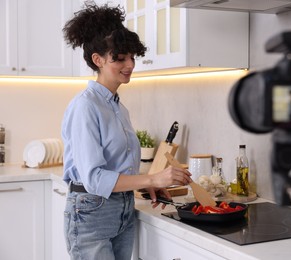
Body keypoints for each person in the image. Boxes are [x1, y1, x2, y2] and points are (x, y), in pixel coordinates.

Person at [61, 3, 192, 260]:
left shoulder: (119, 108)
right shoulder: (85, 106)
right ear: (97, 60)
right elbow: (95, 179)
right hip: (91, 212)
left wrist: (145, 186)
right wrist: (153, 179)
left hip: (122, 208)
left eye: (132, 56)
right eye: (119, 58)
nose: (130, 64)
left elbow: (117, 168)